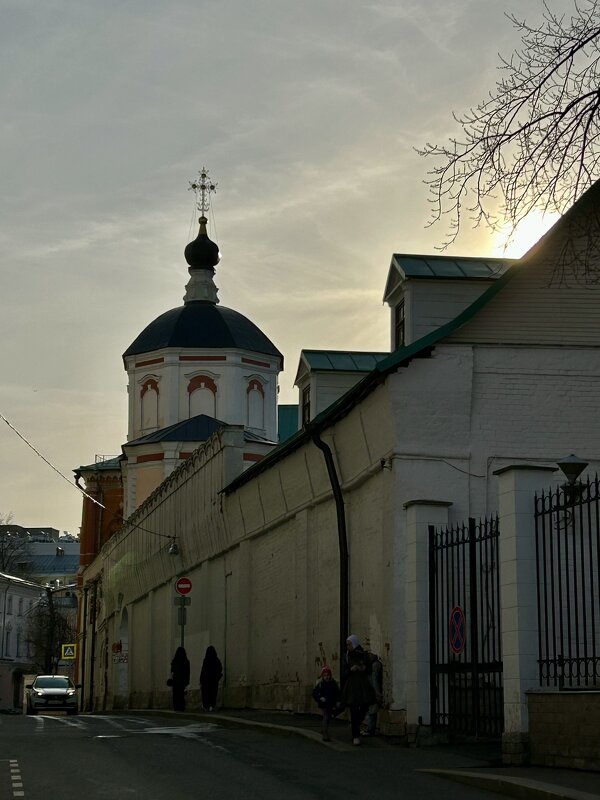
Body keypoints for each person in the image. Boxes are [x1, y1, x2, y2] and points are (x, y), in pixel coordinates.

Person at [341, 634, 375, 745]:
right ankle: (355, 735)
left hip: (362, 684)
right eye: (347, 644)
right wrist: (351, 669)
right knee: (353, 709)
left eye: (349, 644)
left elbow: (369, 668)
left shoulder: (363, 655)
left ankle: (356, 725)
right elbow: (344, 672)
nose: (348, 646)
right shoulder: (346, 656)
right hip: (351, 685)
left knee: (365, 706)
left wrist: (362, 668)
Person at [311, 664, 341, 741]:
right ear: (322, 676)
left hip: (331, 703)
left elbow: (337, 693)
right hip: (324, 703)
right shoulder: (321, 684)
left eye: (328, 675)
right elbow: (314, 693)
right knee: (326, 716)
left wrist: (337, 701)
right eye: (325, 675)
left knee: (328, 718)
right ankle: (325, 733)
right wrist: (320, 698)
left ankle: (325, 729)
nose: (327, 677)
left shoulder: (333, 683)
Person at [362, 651, 383, 736]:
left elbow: (375, 682)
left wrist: (377, 694)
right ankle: (370, 729)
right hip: (373, 691)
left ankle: (370, 730)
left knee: (371, 711)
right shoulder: (375, 664)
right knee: (371, 711)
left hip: (373, 692)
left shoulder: (373, 666)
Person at [200, 645, 223, 710]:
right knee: (213, 694)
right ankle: (212, 705)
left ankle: (206, 706)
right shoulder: (216, 660)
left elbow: (203, 670)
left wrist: (201, 679)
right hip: (214, 681)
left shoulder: (206, 660)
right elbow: (220, 668)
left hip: (206, 681)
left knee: (206, 694)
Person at [170, 646, 190, 712]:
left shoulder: (174, 661)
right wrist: (187, 681)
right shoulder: (186, 661)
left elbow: (172, 671)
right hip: (182, 681)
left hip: (176, 681)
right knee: (181, 695)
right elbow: (187, 672)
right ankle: (181, 707)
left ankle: (176, 707)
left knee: (176, 695)